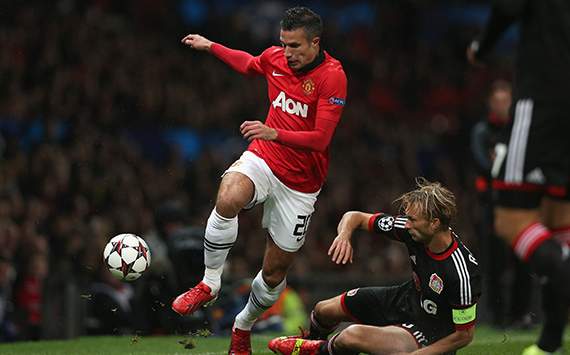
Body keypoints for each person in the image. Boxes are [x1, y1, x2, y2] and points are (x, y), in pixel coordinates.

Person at [171, 6, 347, 355]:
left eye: (295, 46)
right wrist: (211, 46)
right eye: (284, 44)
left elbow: (321, 138)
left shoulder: (332, 76)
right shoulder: (276, 59)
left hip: (300, 184)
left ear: (315, 42)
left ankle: (242, 326)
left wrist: (274, 131)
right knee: (229, 196)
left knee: (273, 275)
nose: (288, 53)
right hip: (265, 158)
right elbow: (250, 62)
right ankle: (208, 283)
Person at [269, 178, 481, 355]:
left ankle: (317, 351)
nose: (406, 223)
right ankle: (314, 343)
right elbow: (355, 217)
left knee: (351, 336)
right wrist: (344, 236)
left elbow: (464, 336)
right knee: (323, 310)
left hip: (430, 334)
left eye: (412, 219)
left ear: (434, 223)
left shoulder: (461, 273)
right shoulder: (413, 230)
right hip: (405, 300)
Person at [467, 1, 570, 353]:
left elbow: (508, 8)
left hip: (544, 99)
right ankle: (551, 340)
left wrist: (482, 46)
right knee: (560, 223)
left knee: (511, 222)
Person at [470, 80, 534, 328]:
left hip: (521, 204)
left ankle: (521, 314)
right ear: (490, 103)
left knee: (523, 258)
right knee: (494, 261)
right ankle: (497, 316)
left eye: (506, 101)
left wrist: (501, 164)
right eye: (497, 101)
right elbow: (482, 165)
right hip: (493, 206)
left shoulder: (520, 129)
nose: (502, 105)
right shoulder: (481, 131)